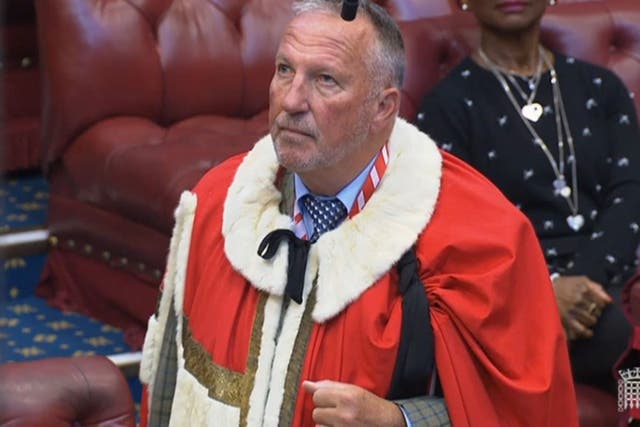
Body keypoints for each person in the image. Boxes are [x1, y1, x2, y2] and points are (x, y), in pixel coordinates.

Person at [139, 0, 578, 425]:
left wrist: (402, 420)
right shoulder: (219, 204)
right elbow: (167, 386)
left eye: (325, 79)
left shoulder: (478, 241)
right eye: (284, 69)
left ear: (383, 107)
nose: (290, 100)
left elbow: (523, 411)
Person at [417, 0, 640, 395]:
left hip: (613, 275)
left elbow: (630, 192)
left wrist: (582, 281)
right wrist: (547, 291)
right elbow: (461, 229)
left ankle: (632, 407)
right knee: (621, 337)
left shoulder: (601, 87)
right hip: (517, 295)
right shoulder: (446, 107)